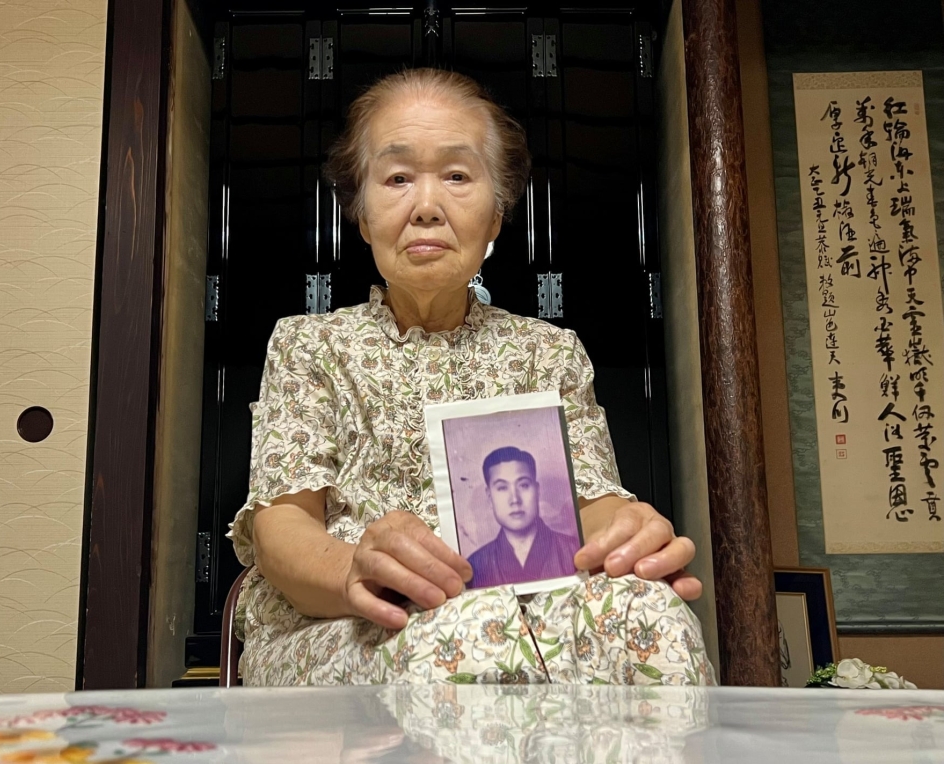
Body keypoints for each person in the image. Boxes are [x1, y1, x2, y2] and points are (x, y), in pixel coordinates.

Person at [228, 68, 714, 686]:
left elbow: (588, 511)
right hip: (344, 627)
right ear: (361, 216)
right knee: (463, 641)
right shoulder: (311, 346)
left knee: (655, 619)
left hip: (528, 619)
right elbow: (280, 529)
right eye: (397, 178)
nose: (426, 207)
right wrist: (355, 569)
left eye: (457, 177)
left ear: (495, 218)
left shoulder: (549, 352)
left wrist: (629, 535)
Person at [467, 447, 580, 588]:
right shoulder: (475, 566)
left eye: (524, 485)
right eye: (502, 488)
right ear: (490, 497)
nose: (514, 499)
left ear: (537, 490)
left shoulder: (575, 551)